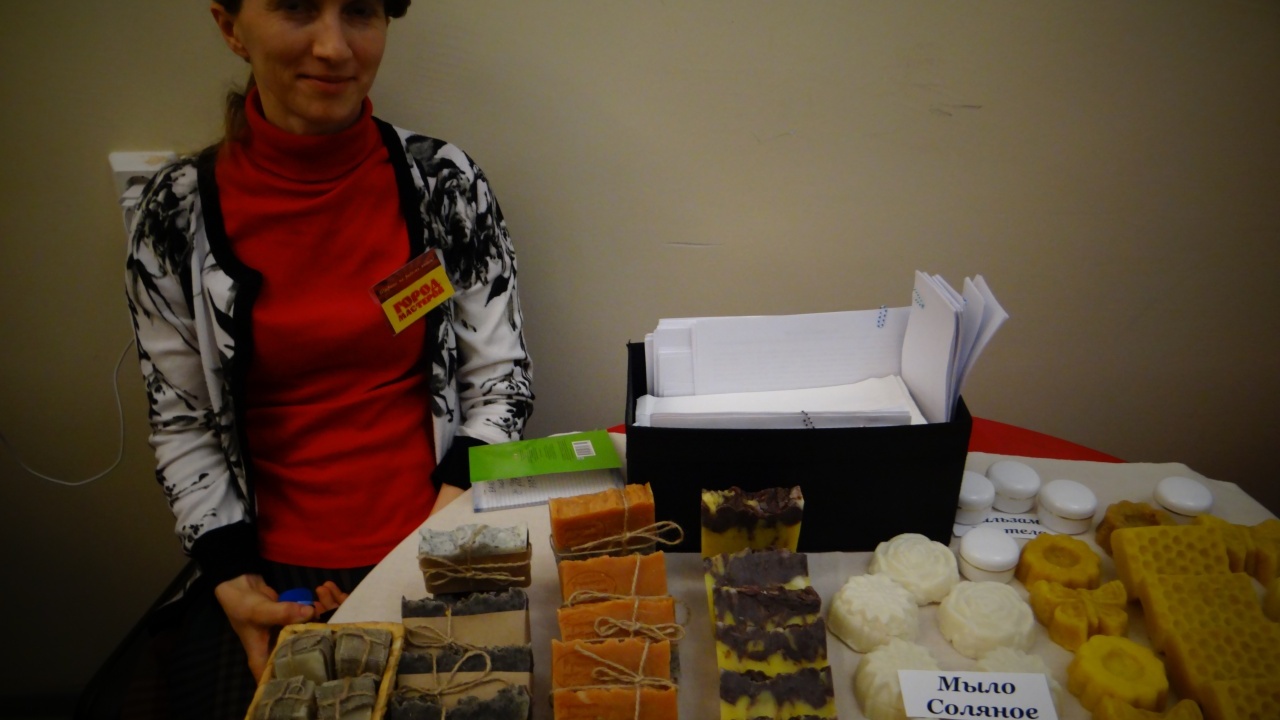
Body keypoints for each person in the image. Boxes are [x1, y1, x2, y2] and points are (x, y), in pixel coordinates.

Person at [124, 0, 533, 715]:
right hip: (270, 567)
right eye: (296, 7)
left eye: (360, 11)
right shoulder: (175, 214)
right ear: (230, 26)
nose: (335, 46)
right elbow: (182, 421)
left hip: (437, 531)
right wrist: (234, 581)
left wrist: (435, 539)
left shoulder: (444, 183)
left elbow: (500, 379)